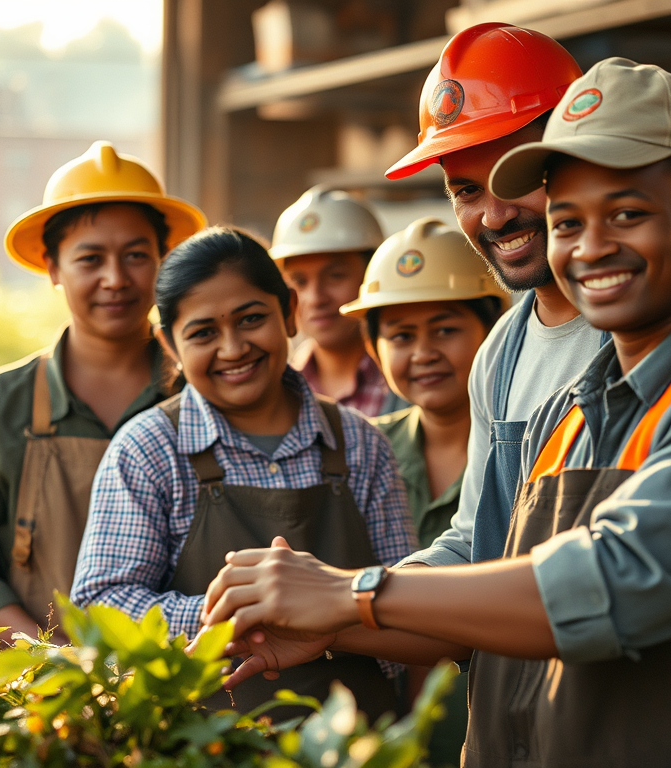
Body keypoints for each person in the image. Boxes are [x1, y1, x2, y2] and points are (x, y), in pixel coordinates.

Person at [197, 59, 671, 767]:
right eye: (568, 221)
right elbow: (480, 572)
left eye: (626, 214)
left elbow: (613, 583)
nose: (592, 247)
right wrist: (327, 625)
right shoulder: (572, 402)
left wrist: (353, 595)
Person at [70, 226, 417, 720]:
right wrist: (238, 617)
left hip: (359, 744)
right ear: (170, 343)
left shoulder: (359, 445)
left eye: (251, 319)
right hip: (202, 745)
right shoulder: (148, 449)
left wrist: (328, 616)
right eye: (203, 332)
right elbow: (102, 606)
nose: (233, 349)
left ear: (290, 313)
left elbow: (407, 603)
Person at [0, 141, 206, 642]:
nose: (115, 278)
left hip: (190, 686)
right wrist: (43, 657)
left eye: (136, 255)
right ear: (52, 267)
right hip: (37, 698)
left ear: (164, 259)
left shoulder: (205, 396)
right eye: (90, 259)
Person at [386, 22, 603, 565]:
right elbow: (473, 546)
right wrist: (349, 597)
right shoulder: (499, 356)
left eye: (515, 177)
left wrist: (360, 603)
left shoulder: (653, 334)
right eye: (466, 191)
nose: (495, 215)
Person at [342, 217, 508, 765]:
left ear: (494, 331)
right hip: (378, 737)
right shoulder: (357, 454)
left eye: (445, 329)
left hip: (495, 729)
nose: (423, 353)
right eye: (401, 336)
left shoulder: (527, 452)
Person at [270, 186, 406, 417]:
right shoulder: (274, 388)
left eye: (335, 276)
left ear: (372, 274)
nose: (315, 298)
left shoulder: (413, 379)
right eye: (299, 281)